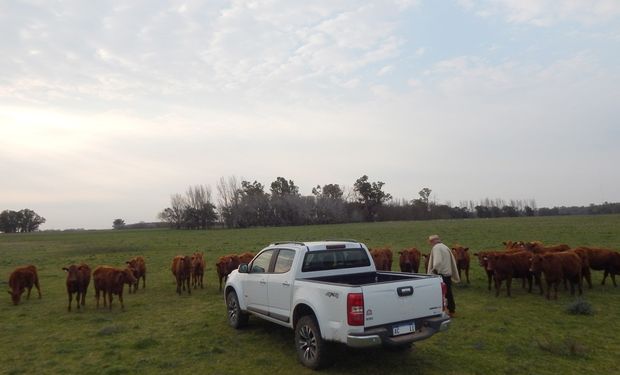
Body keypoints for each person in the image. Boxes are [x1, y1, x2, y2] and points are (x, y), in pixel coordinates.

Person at [426, 234, 460, 317]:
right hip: (447, 273)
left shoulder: (436, 248)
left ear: (433, 241)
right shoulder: (444, 246)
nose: (430, 244)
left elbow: (437, 262)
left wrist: (433, 270)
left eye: (430, 242)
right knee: (448, 293)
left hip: (441, 275)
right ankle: (451, 310)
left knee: (441, 294)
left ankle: (443, 311)